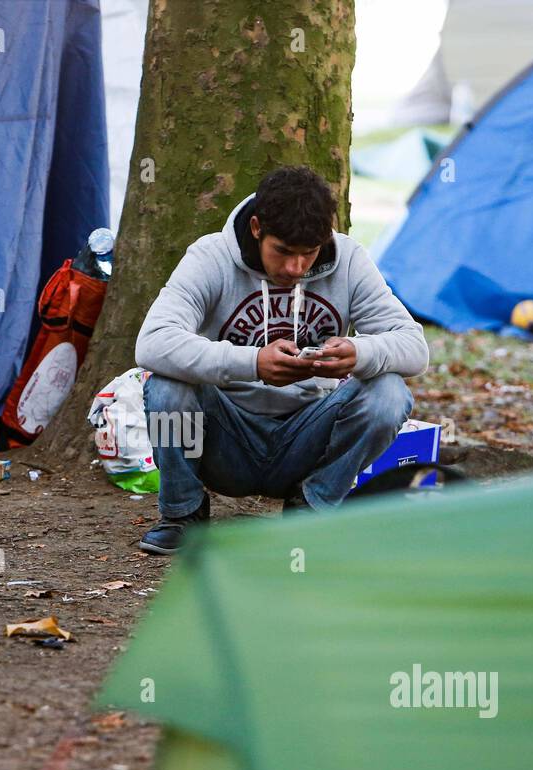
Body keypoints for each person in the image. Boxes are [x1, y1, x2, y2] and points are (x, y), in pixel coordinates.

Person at [134, 165, 429, 554]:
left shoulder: (351, 261)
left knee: (389, 393)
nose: (295, 269)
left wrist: (361, 353)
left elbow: (415, 347)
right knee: (167, 386)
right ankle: (182, 514)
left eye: (308, 254)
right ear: (256, 228)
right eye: (284, 252)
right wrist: (253, 362)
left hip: (307, 437)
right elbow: (152, 343)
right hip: (225, 437)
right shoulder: (210, 257)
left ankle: (313, 505)